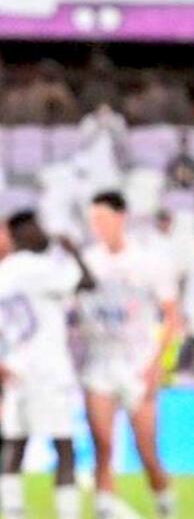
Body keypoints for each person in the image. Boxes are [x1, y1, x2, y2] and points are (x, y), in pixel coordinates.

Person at [78, 193, 180, 519]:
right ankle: (106, 510)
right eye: (94, 220)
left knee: (147, 451)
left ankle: (166, 505)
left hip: (138, 362)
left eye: (103, 218)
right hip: (99, 361)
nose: (98, 226)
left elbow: (172, 317)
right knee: (102, 446)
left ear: (121, 218)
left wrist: (156, 364)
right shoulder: (87, 261)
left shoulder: (149, 262)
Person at [0, 212, 92, 519]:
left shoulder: (4, 271)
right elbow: (87, 283)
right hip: (48, 371)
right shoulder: (39, 267)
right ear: (26, 233)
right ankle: (69, 514)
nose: (44, 233)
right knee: (64, 446)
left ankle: (12, 512)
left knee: (15, 444)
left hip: (16, 371)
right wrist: (72, 251)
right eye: (38, 228)